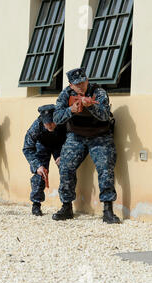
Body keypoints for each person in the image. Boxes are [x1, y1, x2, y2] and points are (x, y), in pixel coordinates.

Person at [52, 67, 121, 224]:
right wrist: (71, 110)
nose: (81, 86)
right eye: (77, 84)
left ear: (87, 80)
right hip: (76, 136)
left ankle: (108, 210)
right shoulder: (65, 94)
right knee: (65, 166)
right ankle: (66, 206)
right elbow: (56, 118)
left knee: (105, 169)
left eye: (83, 82)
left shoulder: (99, 92)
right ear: (71, 85)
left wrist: (91, 106)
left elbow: (105, 116)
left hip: (100, 136)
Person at [23, 104, 66, 216]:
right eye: (46, 123)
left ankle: (67, 205)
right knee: (40, 173)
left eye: (52, 122)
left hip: (60, 146)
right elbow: (27, 148)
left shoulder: (64, 121)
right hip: (42, 145)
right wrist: (37, 165)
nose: (50, 125)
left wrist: (64, 155)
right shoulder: (36, 126)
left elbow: (73, 139)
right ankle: (36, 205)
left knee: (66, 170)